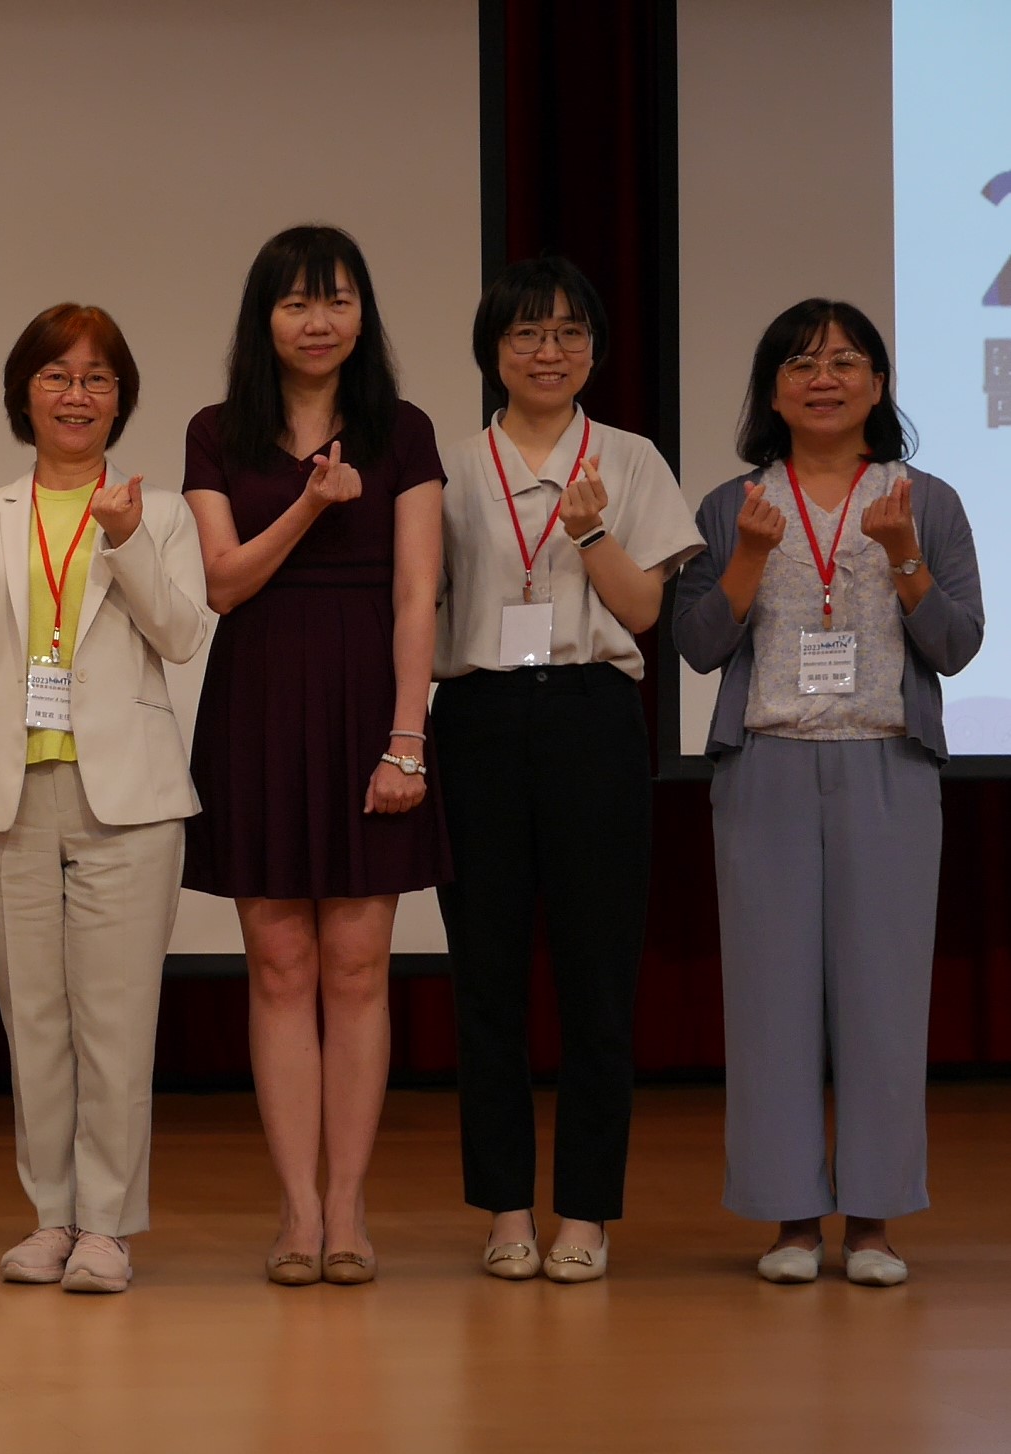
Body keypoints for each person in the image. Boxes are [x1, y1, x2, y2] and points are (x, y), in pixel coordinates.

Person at [673, 299, 982, 1287]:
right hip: (764, 763)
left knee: (883, 999)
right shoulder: (730, 505)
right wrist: (747, 558)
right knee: (769, 1001)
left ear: (877, 385)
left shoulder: (926, 500)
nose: (823, 378)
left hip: (887, 763)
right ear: (771, 392)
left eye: (844, 361)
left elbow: (957, 644)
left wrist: (902, 557)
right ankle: (791, 1221)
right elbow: (695, 645)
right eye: (800, 363)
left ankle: (874, 1223)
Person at [0, 304, 210, 1294]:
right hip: (9, 796)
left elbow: (183, 636)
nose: (75, 395)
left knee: (115, 1023)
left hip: (128, 798)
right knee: (33, 1021)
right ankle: (50, 1216)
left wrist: (125, 541)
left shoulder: (158, 513)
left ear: (120, 398)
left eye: (96, 378)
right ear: (24, 394)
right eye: (56, 376)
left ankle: (107, 1227)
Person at [180, 225, 448, 1287]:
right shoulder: (217, 432)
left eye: (336, 299)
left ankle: (348, 1208)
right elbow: (222, 582)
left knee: (357, 965)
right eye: (296, 302)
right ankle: (295, 1208)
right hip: (257, 702)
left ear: (361, 314)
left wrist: (406, 739)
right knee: (280, 964)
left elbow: (417, 593)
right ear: (264, 318)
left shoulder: (403, 431)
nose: (318, 320)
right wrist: (306, 503)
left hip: (367, 706)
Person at [432, 258, 700, 1284]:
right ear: (492, 349)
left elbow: (642, 611)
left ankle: (583, 1212)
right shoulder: (452, 466)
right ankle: (504, 1208)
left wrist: (588, 530)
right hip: (479, 718)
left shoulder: (629, 458)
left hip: (592, 714)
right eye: (526, 333)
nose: (549, 352)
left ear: (593, 348)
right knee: (486, 976)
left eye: (568, 333)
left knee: (597, 976)